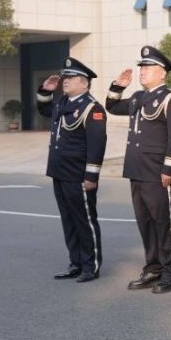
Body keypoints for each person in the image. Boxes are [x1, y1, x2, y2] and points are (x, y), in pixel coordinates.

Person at [105, 46, 171, 293]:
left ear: (162, 73)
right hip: (136, 169)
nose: (142, 72)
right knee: (145, 222)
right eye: (141, 68)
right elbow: (112, 106)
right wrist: (118, 86)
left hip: (156, 171)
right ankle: (153, 267)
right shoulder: (139, 98)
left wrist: (169, 169)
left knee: (164, 222)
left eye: (148, 68)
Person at [37, 57, 108, 283]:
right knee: (68, 220)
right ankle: (75, 262)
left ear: (84, 83)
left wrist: (91, 175)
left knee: (84, 220)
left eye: (71, 78)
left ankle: (91, 265)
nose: (65, 82)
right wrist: (45, 90)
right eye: (65, 78)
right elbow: (44, 109)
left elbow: (97, 144)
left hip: (78, 174)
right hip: (59, 171)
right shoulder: (62, 103)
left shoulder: (91, 108)